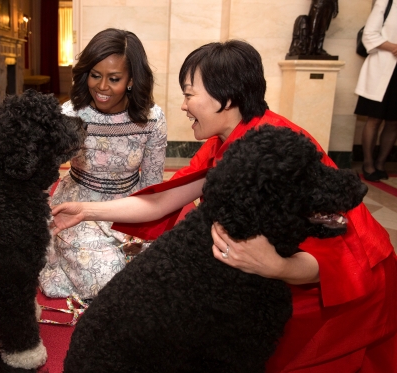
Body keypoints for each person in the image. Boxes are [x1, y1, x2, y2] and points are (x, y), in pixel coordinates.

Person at [52, 40, 397, 372]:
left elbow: (337, 254)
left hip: (347, 285)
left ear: (226, 98)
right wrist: (86, 210)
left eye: (189, 94)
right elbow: (160, 201)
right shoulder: (227, 140)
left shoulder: (279, 151)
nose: (183, 105)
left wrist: (274, 266)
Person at [38, 28, 167, 300]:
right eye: (95, 75)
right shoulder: (70, 114)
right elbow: (44, 173)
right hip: (77, 207)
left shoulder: (152, 119)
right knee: (111, 281)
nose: (102, 87)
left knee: (159, 278)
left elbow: (152, 183)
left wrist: (146, 232)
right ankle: (60, 258)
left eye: (115, 78)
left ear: (132, 79)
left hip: (130, 206)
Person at [355, 0, 397, 182]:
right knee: (374, 118)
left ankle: (381, 163)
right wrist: (395, 47)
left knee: (394, 121)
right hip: (382, 69)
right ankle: (368, 163)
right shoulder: (385, 2)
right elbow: (369, 35)